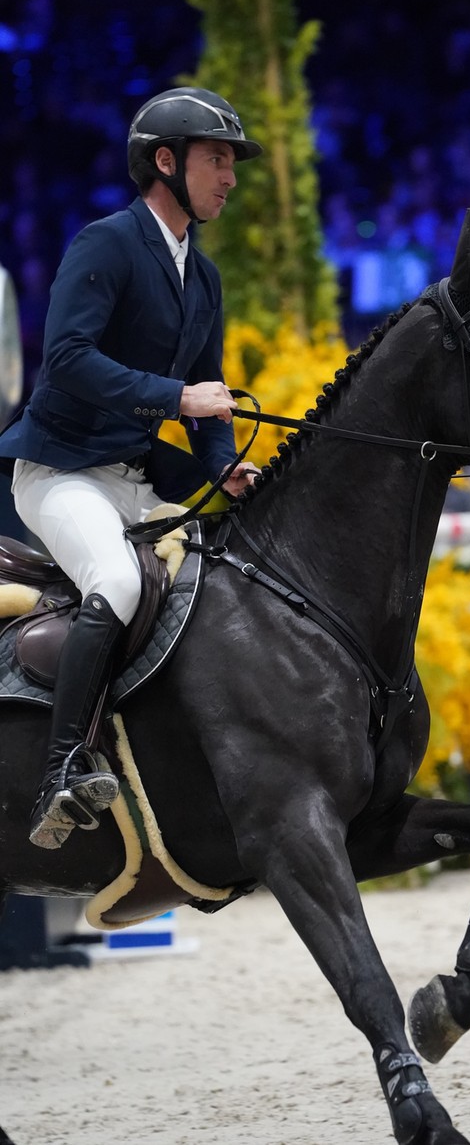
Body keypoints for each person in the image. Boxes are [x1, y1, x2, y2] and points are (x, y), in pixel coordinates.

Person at [0, 88, 262, 850]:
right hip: (60, 471)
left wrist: (224, 472)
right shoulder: (106, 243)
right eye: (218, 160)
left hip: (139, 471)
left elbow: (210, 409)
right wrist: (176, 395)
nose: (231, 178)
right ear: (166, 161)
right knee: (113, 582)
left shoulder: (202, 278)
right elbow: (69, 359)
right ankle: (61, 767)